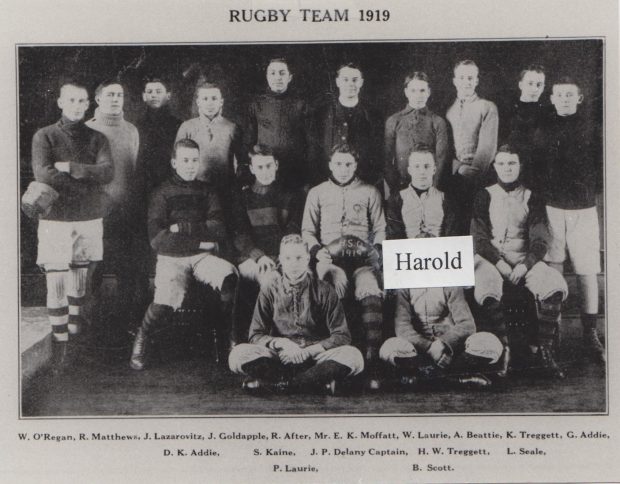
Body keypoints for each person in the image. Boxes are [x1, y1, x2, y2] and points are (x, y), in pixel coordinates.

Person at [129, 138, 238, 371]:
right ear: (174, 162)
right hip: (172, 259)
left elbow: (218, 228)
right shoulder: (161, 193)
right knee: (164, 301)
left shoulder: (207, 191)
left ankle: (228, 341)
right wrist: (201, 239)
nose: (190, 165)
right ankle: (142, 339)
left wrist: (182, 229)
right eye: (185, 160)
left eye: (195, 161)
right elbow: (158, 240)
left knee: (229, 277)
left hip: (202, 257)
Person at [31, 82, 113, 371]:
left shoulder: (97, 138)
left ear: (89, 103)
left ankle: (75, 346)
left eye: (83, 101)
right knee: (56, 281)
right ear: (60, 102)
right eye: (72, 100)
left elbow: (107, 172)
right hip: (56, 219)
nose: (78, 106)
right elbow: (44, 172)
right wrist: (86, 188)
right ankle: (60, 348)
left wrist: (72, 168)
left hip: (89, 219)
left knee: (80, 283)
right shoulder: (45, 136)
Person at [471, 145, 568, 377]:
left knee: (554, 285)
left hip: (525, 259)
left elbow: (540, 238)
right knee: (486, 288)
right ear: (494, 166)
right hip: (492, 259)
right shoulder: (484, 195)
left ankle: (545, 352)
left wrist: (526, 264)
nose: (507, 168)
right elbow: (479, 238)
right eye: (502, 163)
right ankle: (505, 349)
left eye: (512, 163)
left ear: (520, 166)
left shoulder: (531, 196)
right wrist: (500, 263)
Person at [228, 234, 364, 394]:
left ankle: (284, 385)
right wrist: (283, 344)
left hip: (316, 357)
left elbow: (342, 335)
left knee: (354, 356)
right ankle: (311, 383)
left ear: (307, 259)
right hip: (282, 357)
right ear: (280, 260)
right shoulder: (269, 290)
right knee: (237, 355)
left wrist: (307, 352)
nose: (293, 263)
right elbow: (256, 335)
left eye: (299, 258)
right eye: (288, 258)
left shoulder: (325, 290)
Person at [533, 77, 604, 363]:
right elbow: (537, 169)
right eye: (559, 95)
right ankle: (555, 331)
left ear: (579, 98)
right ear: (551, 98)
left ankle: (591, 333)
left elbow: (604, 168)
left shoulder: (593, 129)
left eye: (569, 94)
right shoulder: (543, 129)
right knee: (554, 267)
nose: (564, 99)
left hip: (583, 208)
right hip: (552, 207)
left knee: (587, 270)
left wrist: (586, 192)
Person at [302, 145, 385, 389]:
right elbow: (307, 230)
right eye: (338, 164)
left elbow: (380, 227)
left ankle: (372, 360)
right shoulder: (317, 193)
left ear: (356, 165)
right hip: (330, 259)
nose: (343, 169)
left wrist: (375, 249)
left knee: (370, 289)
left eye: (348, 164)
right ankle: (327, 359)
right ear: (330, 165)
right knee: (324, 289)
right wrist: (318, 252)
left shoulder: (370, 192)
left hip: (361, 261)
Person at [86, 79, 148, 331]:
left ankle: (123, 327)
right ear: (98, 99)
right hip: (96, 211)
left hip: (126, 211)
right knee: (93, 268)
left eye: (119, 95)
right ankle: (90, 325)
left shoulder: (131, 130)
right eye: (110, 95)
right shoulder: (87, 129)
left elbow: (131, 170)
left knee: (127, 268)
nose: (115, 99)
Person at [379, 287, 504, 388]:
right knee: (389, 348)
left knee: (491, 344)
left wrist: (443, 344)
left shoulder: (450, 283)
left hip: (451, 351)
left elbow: (467, 325)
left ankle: (430, 377)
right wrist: (428, 347)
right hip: (419, 353)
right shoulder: (404, 286)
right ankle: (454, 378)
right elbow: (402, 327)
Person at [233, 145, 305, 287]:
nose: (265, 172)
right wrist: (259, 257)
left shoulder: (290, 195)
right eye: (260, 167)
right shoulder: (242, 198)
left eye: (269, 166)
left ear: (276, 165)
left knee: (303, 278)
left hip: (284, 255)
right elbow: (240, 234)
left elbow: (294, 228)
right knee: (272, 280)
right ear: (252, 169)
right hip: (252, 258)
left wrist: (285, 255)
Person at [175, 81, 248, 210]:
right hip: (194, 188)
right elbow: (178, 159)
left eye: (214, 98)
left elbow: (242, 161)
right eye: (205, 98)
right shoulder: (187, 127)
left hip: (224, 190)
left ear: (221, 102)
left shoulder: (232, 128)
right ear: (198, 102)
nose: (209, 103)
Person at [445, 60, 499, 234]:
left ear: (476, 80)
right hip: (455, 176)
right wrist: (458, 168)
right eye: (462, 77)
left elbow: (487, 148)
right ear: (455, 81)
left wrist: (472, 173)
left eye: (470, 77)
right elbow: (447, 147)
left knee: (477, 225)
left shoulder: (487, 106)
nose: (466, 82)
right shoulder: (449, 110)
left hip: (480, 178)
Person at [311, 62, 383, 187]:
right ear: (338, 82)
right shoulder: (321, 113)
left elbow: (378, 152)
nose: (350, 84)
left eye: (355, 80)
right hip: (328, 182)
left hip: (364, 182)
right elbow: (315, 150)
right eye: (345, 80)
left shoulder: (372, 114)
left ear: (361, 82)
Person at [245, 58, 310, 189]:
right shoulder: (256, 104)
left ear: (290, 77)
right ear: (267, 76)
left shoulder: (301, 105)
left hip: (294, 171)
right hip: (265, 171)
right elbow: (249, 141)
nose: (277, 78)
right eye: (273, 73)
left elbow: (309, 143)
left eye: (282, 73)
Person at [384, 71, 449, 195]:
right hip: (401, 187)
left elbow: (441, 160)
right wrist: (397, 190)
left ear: (428, 92)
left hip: (430, 187)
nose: (418, 95)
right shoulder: (394, 120)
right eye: (413, 91)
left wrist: (432, 190)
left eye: (422, 90)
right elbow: (387, 160)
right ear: (406, 92)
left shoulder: (437, 122)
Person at [386, 149, 454, 240]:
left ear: (434, 170)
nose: (422, 171)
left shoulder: (445, 199)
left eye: (427, 166)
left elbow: (453, 238)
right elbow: (394, 238)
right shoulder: (397, 199)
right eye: (417, 166)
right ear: (410, 170)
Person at [502, 64, 549, 189]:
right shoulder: (507, 110)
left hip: (540, 174)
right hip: (512, 173)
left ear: (544, 87)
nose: (535, 89)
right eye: (530, 83)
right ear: (521, 85)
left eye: (539, 85)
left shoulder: (549, 113)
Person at [136, 76, 182, 192]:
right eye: (149, 92)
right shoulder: (137, 126)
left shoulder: (178, 125)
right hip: (143, 184)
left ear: (168, 96)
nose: (153, 95)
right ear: (144, 96)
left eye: (158, 91)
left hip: (171, 182)